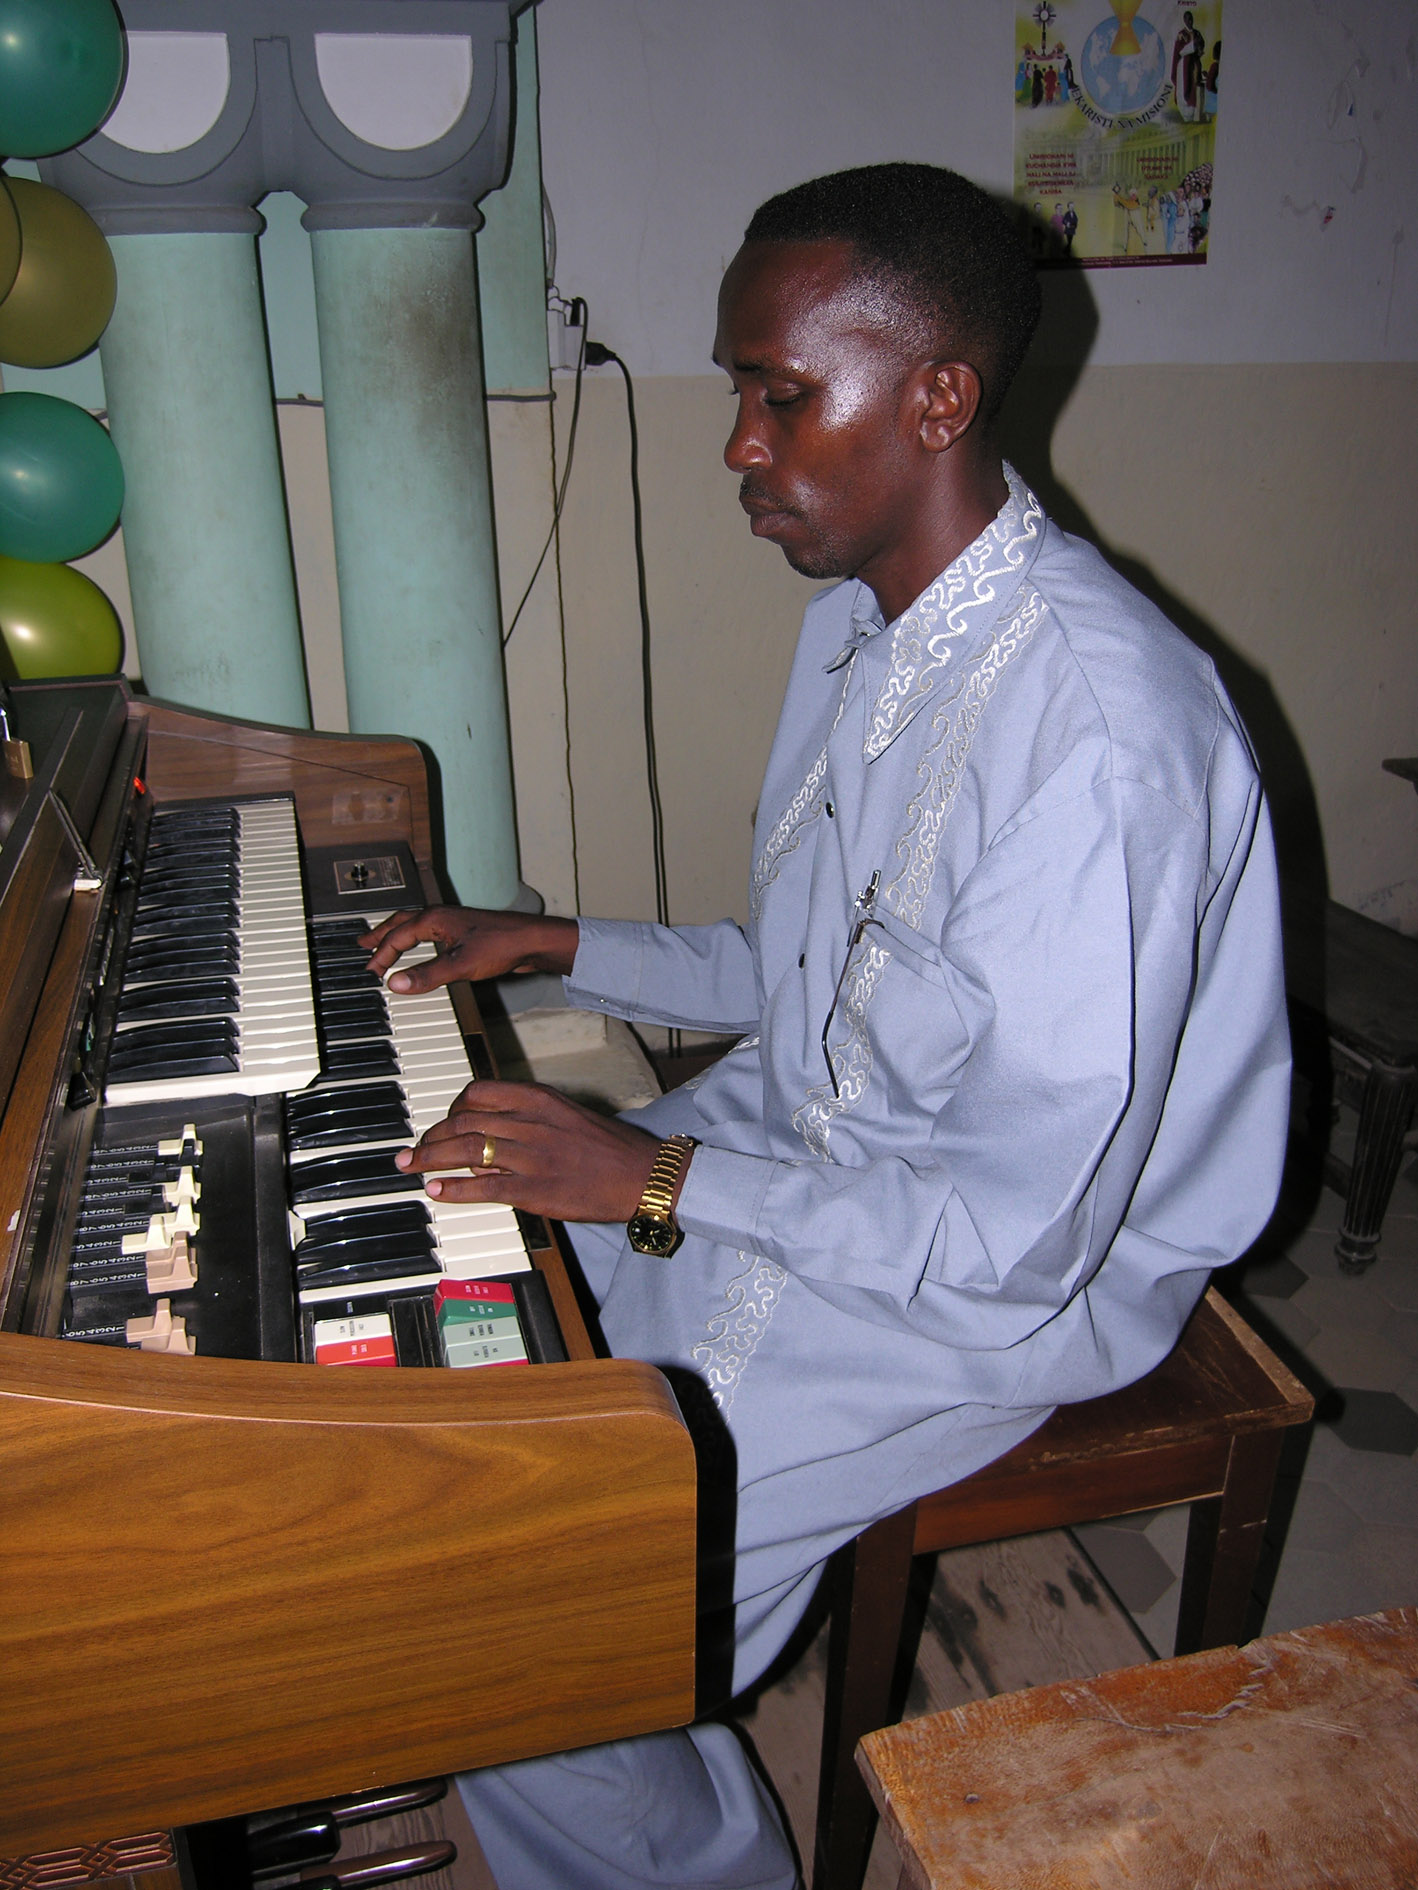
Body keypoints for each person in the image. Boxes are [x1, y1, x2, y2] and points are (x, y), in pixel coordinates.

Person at [364, 163, 1290, 1889]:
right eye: (740, 392)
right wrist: (556, 943)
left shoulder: (1098, 742)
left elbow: (1011, 1240)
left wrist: (652, 1181)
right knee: (464, 1327)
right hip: (800, 1152)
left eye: (778, 395)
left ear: (938, 397)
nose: (737, 444)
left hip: (997, 1288)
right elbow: (812, 978)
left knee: (537, 1588)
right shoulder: (861, 631)